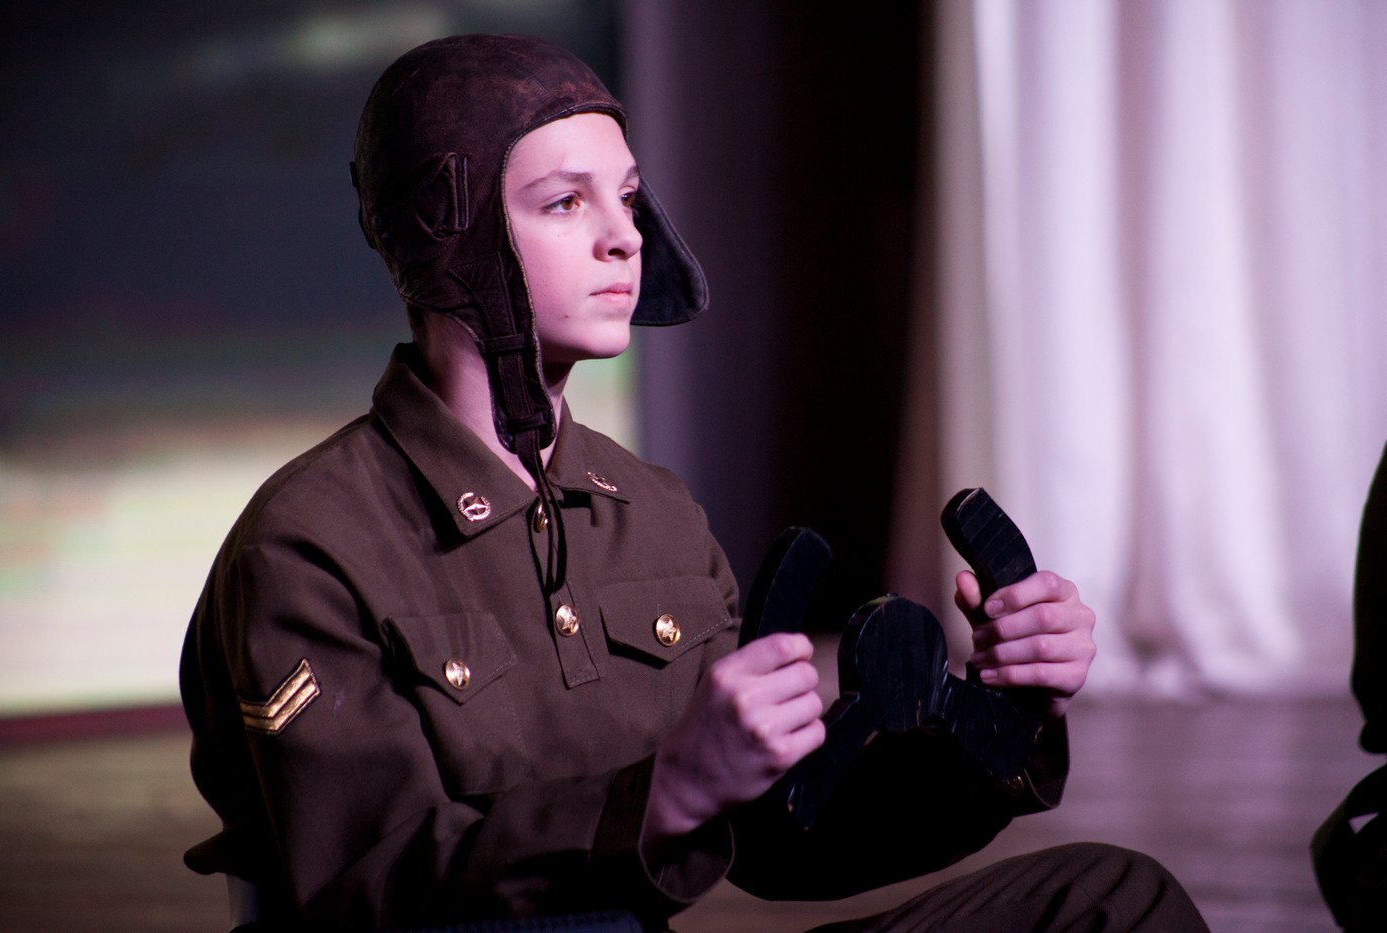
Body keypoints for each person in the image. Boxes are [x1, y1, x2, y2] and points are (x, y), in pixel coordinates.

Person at [180, 33, 1209, 933]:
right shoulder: (308, 546)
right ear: (444, 234)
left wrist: (1000, 716)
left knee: (1109, 901)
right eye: (564, 201)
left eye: (626, 198)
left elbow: (779, 834)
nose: (624, 235)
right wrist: (663, 793)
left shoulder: (653, 515)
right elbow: (359, 884)